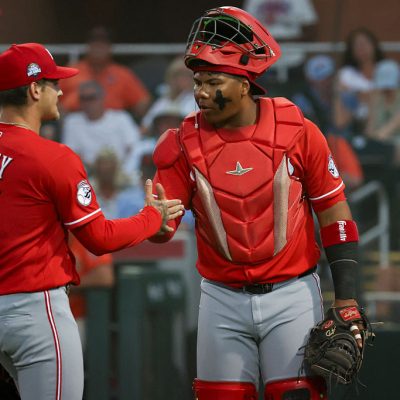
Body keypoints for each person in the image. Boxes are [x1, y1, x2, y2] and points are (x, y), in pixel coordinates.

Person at [150, 7, 366, 400]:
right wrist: (158, 223)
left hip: (293, 293)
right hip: (220, 296)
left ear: (244, 84)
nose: (199, 91)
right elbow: (165, 225)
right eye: (197, 81)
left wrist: (347, 298)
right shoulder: (180, 143)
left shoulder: (297, 129)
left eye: (212, 81)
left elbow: (334, 211)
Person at [0, 42, 184, 400]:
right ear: (35, 89)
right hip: (33, 312)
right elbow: (99, 238)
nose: (61, 90)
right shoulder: (51, 156)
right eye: (54, 83)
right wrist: (152, 217)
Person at [59, 26, 151, 119]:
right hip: (76, 120)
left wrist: (132, 120)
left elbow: (143, 101)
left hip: (111, 123)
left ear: (109, 48)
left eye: (102, 44)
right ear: (88, 46)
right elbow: (50, 97)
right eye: (95, 44)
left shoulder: (122, 74)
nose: (98, 48)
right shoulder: (71, 70)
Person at [62, 80, 141, 178]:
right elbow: (71, 153)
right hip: (89, 175)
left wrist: (123, 171)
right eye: (83, 99)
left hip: (122, 173)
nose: (87, 102)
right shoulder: (72, 121)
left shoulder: (121, 118)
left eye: (91, 98)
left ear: (102, 98)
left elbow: (134, 147)